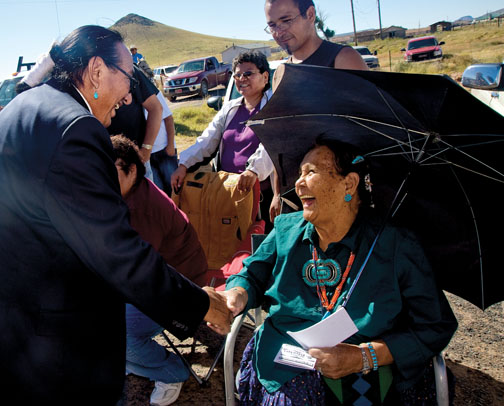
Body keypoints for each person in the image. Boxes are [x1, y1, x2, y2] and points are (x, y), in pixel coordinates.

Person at [0, 25, 231, 405]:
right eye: (129, 76)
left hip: (22, 325)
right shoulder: (77, 128)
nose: (128, 97)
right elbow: (117, 252)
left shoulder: (24, 106)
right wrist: (200, 305)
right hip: (64, 344)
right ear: (95, 70)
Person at [221, 136, 458, 405]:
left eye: (311, 172)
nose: (298, 184)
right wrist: (237, 294)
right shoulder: (286, 229)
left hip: (371, 366)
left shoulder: (394, 244)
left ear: (349, 183)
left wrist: (364, 356)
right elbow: (251, 275)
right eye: (299, 173)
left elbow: (434, 325)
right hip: (286, 360)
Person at [111, 135, 207, 406]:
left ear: (132, 170)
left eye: (111, 170)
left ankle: (172, 371)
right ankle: (139, 361)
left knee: (117, 331)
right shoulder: (130, 191)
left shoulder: (143, 210)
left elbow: (141, 273)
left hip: (180, 288)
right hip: (162, 279)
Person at [265, 0, 369, 221]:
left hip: (340, 196)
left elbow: (370, 131)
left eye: (286, 20)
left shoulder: (343, 60)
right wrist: (276, 193)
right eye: (272, 25)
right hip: (295, 195)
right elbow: (281, 140)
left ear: (310, 15)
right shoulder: (280, 73)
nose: (279, 31)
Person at [170, 50, 274, 200]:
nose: (241, 78)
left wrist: (254, 171)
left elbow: (270, 147)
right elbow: (206, 141)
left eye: (248, 74)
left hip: (259, 193)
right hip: (226, 189)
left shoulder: (273, 108)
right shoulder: (229, 108)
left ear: (265, 76)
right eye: (237, 75)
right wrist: (183, 165)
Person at [108, 64, 163, 169]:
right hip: (105, 162)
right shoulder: (83, 75)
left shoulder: (127, 68)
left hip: (136, 160)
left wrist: (146, 150)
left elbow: (156, 108)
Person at [148, 92, 178, 196]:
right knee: (159, 194)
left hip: (165, 150)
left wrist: (170, 145)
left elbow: (168, 119)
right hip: (148, 155)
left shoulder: (154, 94)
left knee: (174, 188)